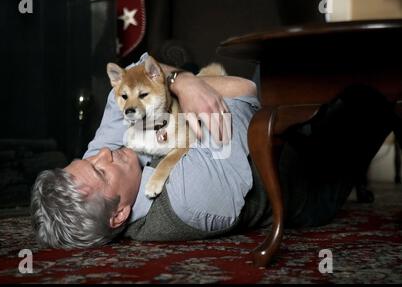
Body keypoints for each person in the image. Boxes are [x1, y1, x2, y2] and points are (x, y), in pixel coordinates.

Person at [31, 53, 400, 248]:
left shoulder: (108, 165)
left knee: (206, 75)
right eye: (99, 170)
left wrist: (180, 79)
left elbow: (133, 74)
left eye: (87, 157)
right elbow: (243, 92)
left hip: (255, 137)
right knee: (367, 98)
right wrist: (187, 85)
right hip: (304, 179)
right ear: (119, 215)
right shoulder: (191, 201)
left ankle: (188, 67)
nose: (102, 153)